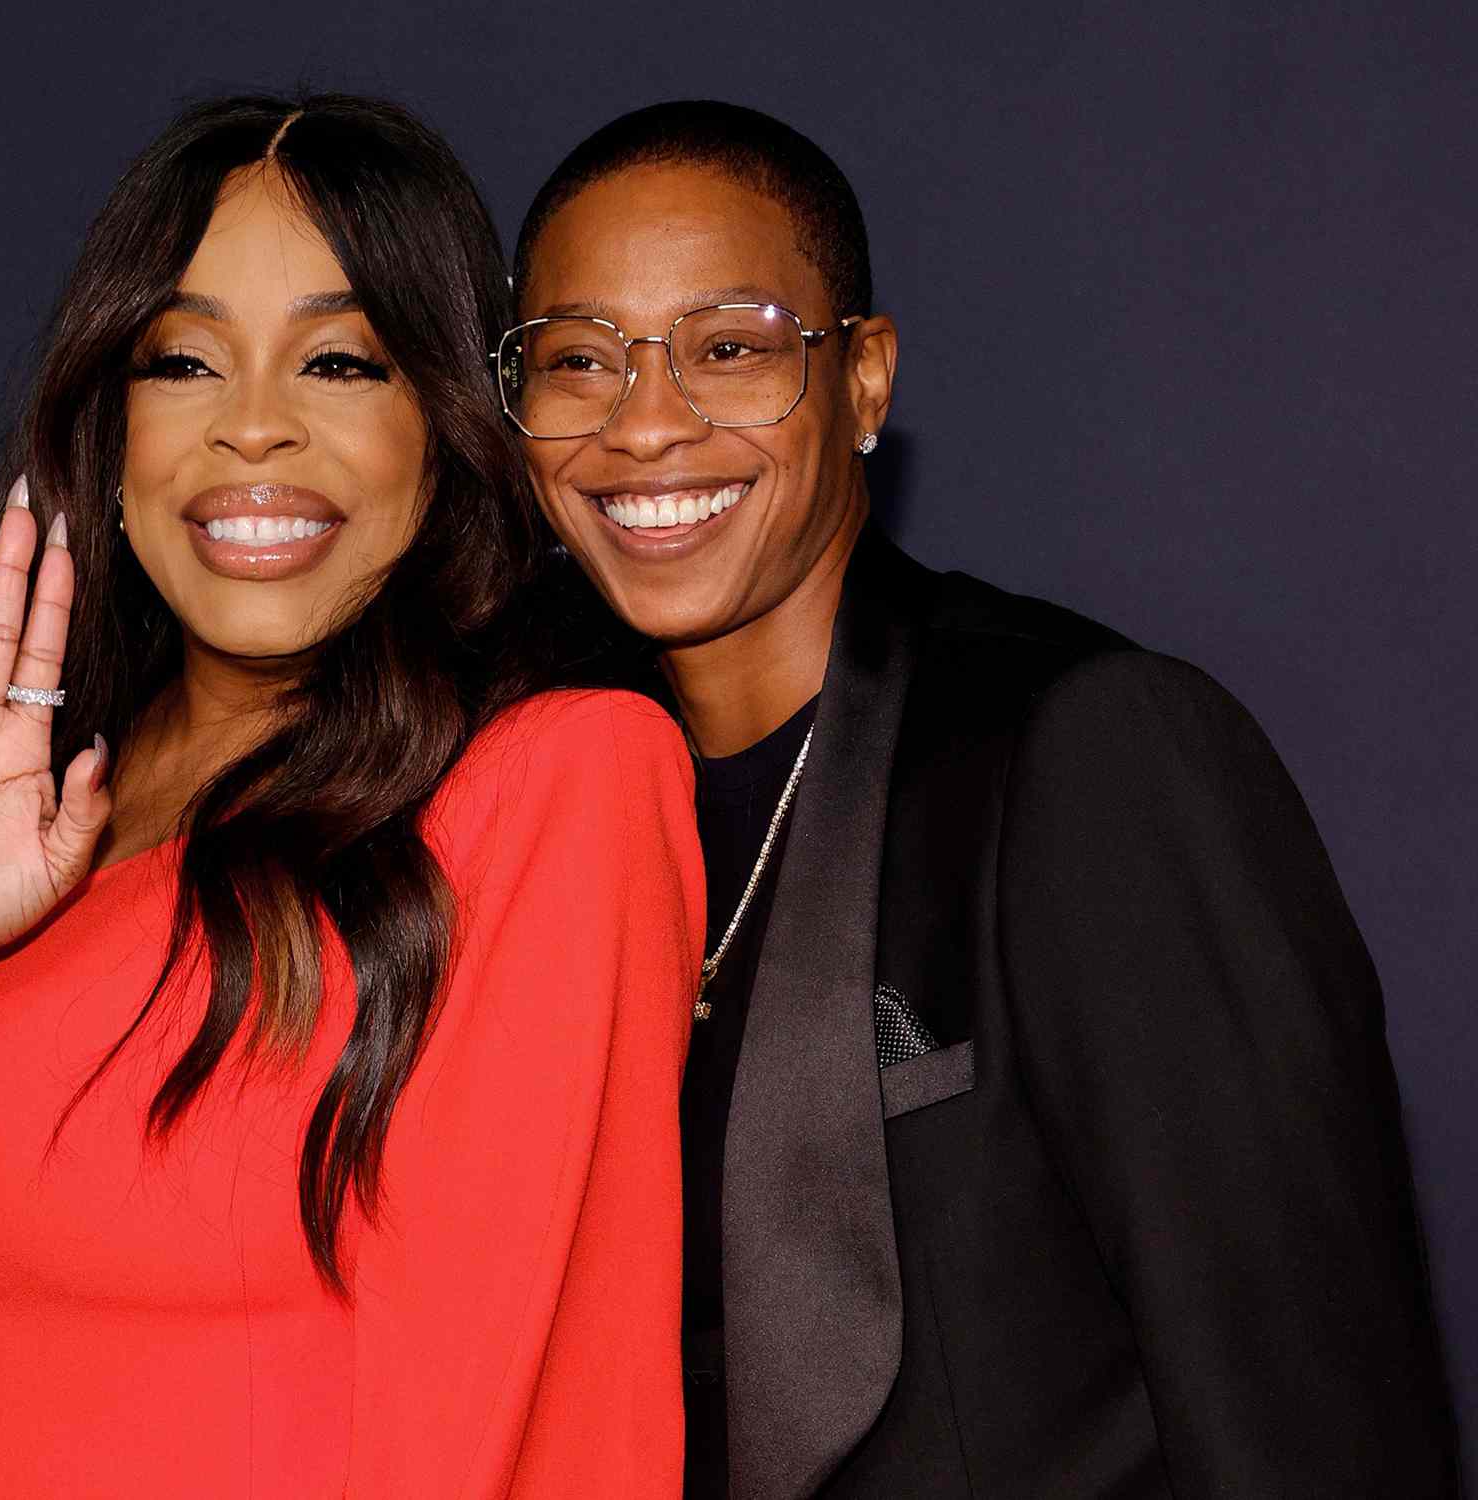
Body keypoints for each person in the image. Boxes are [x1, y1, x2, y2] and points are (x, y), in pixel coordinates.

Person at [0, 95, 703, 1498]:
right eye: (184, 362)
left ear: (444, 428)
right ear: (113, 424)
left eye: (338, 361)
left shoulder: (556, 773)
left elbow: (522, 1399)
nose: (253, 430)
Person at [504, 100, 1459, 1499]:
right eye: (579, 360)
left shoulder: (1088, 755)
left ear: (867, 381)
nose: (646, 426)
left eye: (729, 347)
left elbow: (1313, 1426)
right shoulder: (530, 808)